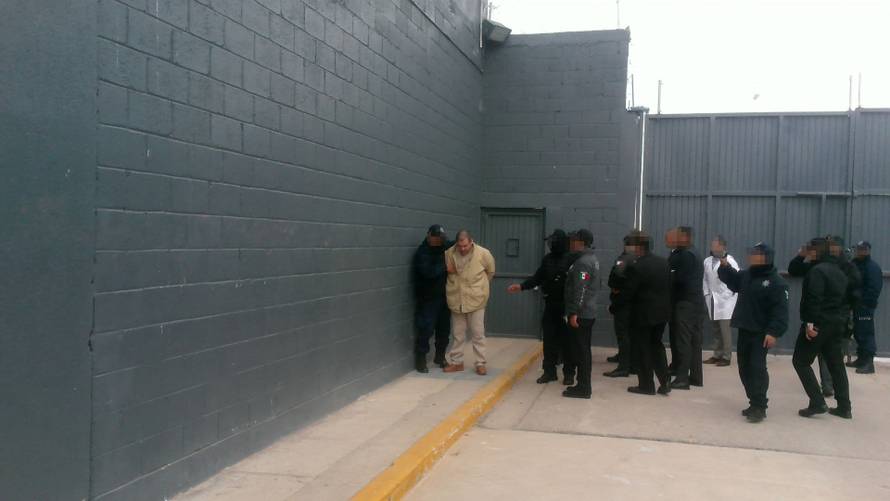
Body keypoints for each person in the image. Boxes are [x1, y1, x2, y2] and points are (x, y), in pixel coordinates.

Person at [717, 243, 790, 423]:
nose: (751, 257)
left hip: (762, 333)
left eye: (756, 254)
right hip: (745, 329)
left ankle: (760, 406)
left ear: (766, 257)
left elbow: (780, 311)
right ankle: (753, 401)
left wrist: (774, 332)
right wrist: (724, 266)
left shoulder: (776, 282)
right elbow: (733, 280)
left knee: (757, 368)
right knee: (744, 368)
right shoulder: (748, 275)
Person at [507, 229, 578, 385]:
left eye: (554, 242)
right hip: (551, 305)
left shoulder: (572, 259)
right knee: (549, 341)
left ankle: (569, 373)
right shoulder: (547, 259)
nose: (551, 245)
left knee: (568, 342)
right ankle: (549, 372)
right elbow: (537, 278)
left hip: (566, 307)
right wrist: (521, 286)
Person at [792, 238, 853, 419]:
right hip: (836, 323)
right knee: (836, 364)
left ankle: (817, 402)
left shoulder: (818, 271)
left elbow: (814, 298)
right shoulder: (839, 271)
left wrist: (810, 324)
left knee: (800, 361)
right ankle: (844, 406)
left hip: (819, 323)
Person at [613, 231, 673, 396]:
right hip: (661, 314)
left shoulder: (636, 266)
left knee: (642, 349)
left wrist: (614, 306)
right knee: (657, 346)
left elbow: (628, 292)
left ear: (638, 248)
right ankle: (665, 381)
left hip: (642, 315)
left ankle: (646, 385)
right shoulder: (664, 263)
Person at [444, 230, 496, 376]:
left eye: (465, 246)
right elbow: (447, 270)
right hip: (456, 298)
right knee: (457, 334)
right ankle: (457, 362)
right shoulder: (449, 253)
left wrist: (480, 288)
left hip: (476, 299)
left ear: (471, 241)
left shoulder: (483, 253)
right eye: (460, 246)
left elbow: (490, 272)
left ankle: (480, 363)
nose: (462, 249)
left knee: (478, 334)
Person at [562, 229, 600, 399]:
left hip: (582, 314)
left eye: (574, 240)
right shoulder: (591, 258)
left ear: (581, 242)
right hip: (587, 312)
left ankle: (584, 387)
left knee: (581, 351)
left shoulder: (583, 262)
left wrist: (574, 312)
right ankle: (583, 385)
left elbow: (581, 289)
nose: (571, 243)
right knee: (583, 350)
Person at [666, 226, 705, 389]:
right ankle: (694, 376)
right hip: (692, 302)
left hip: (686, 303)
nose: (669, 239)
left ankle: (682, 378)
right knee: (693, 340)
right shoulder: (686, 252)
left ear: (684, 237)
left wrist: (667, 276)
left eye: (674, 236)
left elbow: (679, 279)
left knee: (684, 340)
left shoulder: (687, 255)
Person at [411, 224, 453, 373]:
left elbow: (454, 243)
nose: (439, 241)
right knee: (426, 329)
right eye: (437, 238)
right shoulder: (422, 253)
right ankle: (420, 359)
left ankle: (440, 356)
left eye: (441, 239)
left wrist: (465, 241)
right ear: (429, 236)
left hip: (443, 297)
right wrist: (445, 266)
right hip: (428, 298)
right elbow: (428, 273)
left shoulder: (443, 245)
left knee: (444, 329)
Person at [604, 235, 638, 378]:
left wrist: (615, 288)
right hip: (634, 303)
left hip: (623, 302)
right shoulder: (639, 259)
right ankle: (631, 363)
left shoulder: (625, 259)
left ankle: (624, 366)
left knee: (623, 334)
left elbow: (614, 278)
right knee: (630, 335)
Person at [703, 235, 739, 367]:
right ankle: (716, 354)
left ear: (723, 246)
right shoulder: (707, 261)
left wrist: (726, 295)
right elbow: (705, 279)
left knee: (725, 330)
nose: (713, 248)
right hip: (712, 299)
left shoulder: (730, 260)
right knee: (716, 329)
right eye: (712, 245)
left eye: (716, 245)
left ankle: (726, 356)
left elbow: (736, 278)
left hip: (726, 301)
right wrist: (706, 293)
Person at [848, 241, 883, 374]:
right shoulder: (855, 264)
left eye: (863, 249)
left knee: (866, 333)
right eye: (858, 249)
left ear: (868, 250)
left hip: (865, 306)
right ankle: (861, 358)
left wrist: (864, 303)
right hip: (856, 305)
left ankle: (869, 363)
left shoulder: (872, 267)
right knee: (858, 332)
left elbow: (874, 289)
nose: (860, 251)